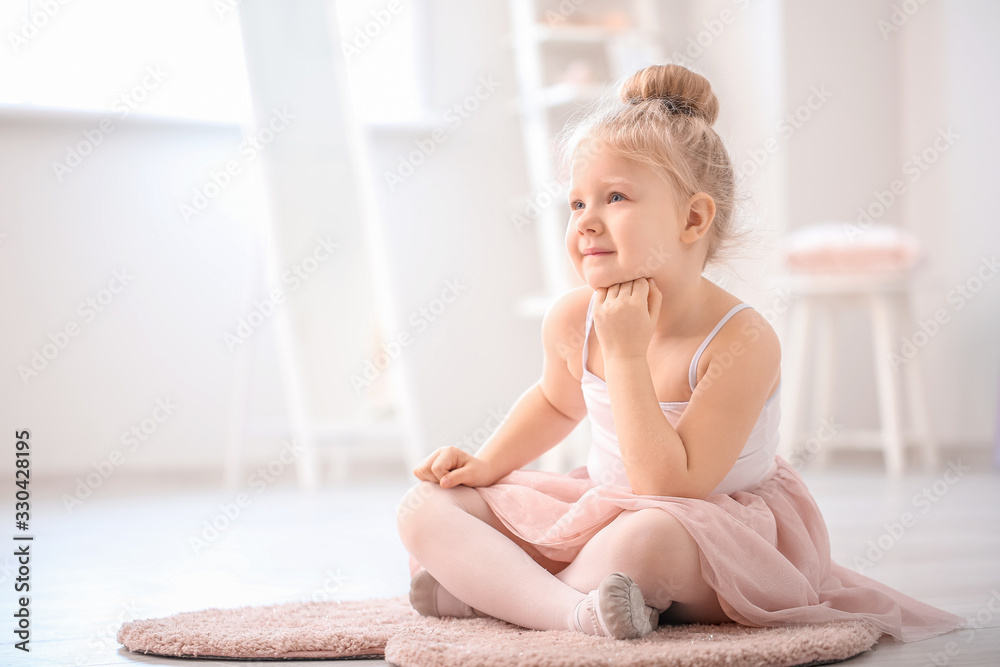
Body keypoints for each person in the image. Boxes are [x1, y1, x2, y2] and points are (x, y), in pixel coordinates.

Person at [395, 63, 963, 641]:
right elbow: (554, 401)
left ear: (692, 218)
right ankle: (569, 610)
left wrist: (626, 358)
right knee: (426, 507)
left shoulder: (742, 340)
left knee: (649, 539)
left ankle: (496, 591)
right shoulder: (574, 317)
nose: (587, 222)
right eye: (576, 204)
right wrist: (488, 465)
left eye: (614, 197)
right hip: (605, 507)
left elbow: (672, 487)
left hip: (708, 527)